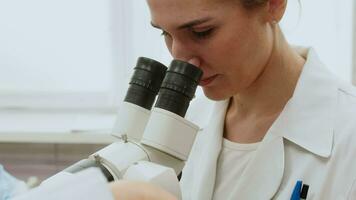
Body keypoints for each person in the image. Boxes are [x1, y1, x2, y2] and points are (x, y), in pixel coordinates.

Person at [11, 0, 356, 199]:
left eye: (201, 32)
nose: (180, 58)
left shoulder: (347, 136)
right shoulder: (191, 120)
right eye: (165, 33)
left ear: (273, 4)